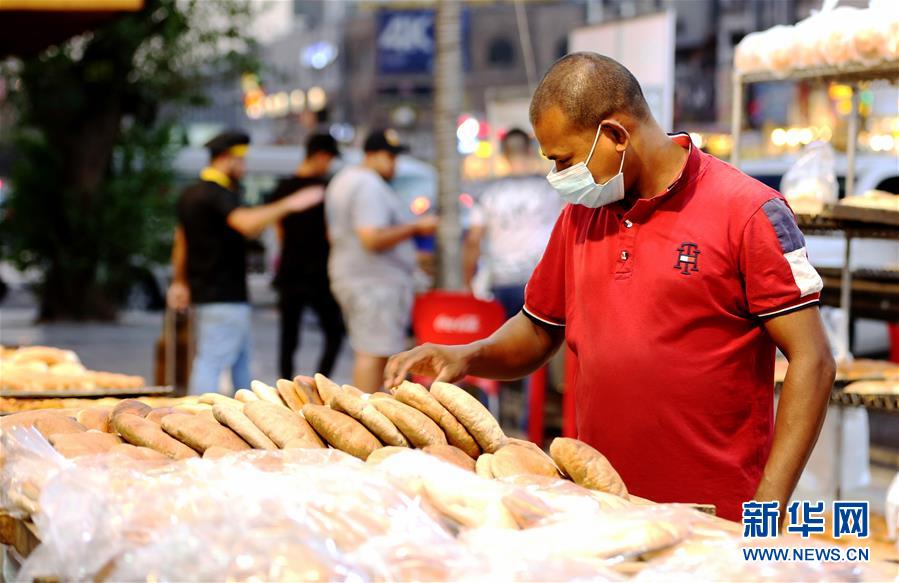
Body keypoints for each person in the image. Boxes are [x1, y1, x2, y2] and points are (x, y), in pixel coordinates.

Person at [385, 53, 836, 522]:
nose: (558, 177)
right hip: (599, 507)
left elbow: (813, 360)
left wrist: (769, 505)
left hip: (714, 517)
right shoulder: (581, 216)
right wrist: (469, 355)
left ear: (616, 136)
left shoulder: (747, 211)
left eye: (564, 159)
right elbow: (539, 330)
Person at [168, 130, 324, 395]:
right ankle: (194, 418)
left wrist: (180, 281)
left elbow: (181, 241)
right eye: (241, 161)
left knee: (239, 360)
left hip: (210, 292)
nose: (244, 167)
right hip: (223, 293)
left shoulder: (190, 194)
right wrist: (289, 204)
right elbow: (247, 223)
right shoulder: (218, 194)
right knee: (211, 361)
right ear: (228, 159)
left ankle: (248, 414)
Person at [326, 129, 438, 392]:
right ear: (371, 155)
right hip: (373, 282)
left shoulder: (346, 180)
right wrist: (416, 227)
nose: (393, 164)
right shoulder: (367, 184)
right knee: (373, 353)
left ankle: (367, 412)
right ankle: (364, 416)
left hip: (361, 278)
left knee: (373, 351)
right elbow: (371, 237)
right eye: (388, 156)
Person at [267, 133, 344, 379]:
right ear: (321, 156)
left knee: (289, 337)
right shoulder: (327, 188)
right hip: (317, 271)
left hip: (292, 269)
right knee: (333, 332)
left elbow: (278, 230)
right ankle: (319, 382)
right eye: (329, 159)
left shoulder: (283, 188)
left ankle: (286, 386)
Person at [463, 127, 562, 318]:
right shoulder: (552, 190)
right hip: (543, 280)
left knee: (507, 343)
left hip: (502, 282)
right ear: (530, 150)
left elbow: (473, 241)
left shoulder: (488, 193)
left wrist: (467, 282)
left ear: (504, 154)